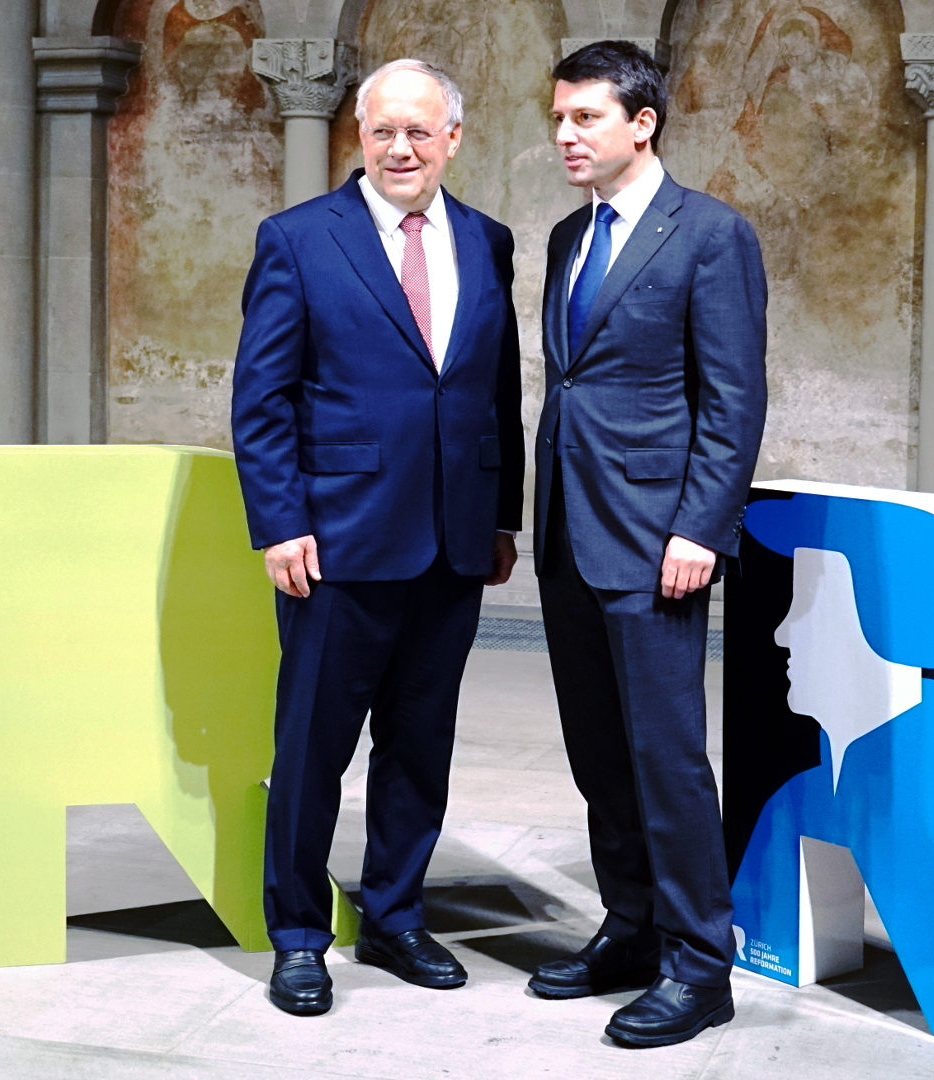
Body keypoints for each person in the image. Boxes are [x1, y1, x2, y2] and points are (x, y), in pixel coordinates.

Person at [230, 57, 523, 1018]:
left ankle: (396, 915)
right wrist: (280, 522)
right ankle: (300, 936)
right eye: (383, 130)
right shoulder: (298, 240)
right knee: (314, 747)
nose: (401, 148)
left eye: (420, 131)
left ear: (453, 139)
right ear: (360, 134)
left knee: (418, 745)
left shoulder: (488, 241)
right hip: (337, 542)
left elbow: (498, 393)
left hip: (451, 541)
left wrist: (502, 515)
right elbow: (262, 398)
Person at [530, 40, 767, 1048]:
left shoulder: (711, 235)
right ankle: (629, 929)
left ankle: (699, 966)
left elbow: (734, 397)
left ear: (643, 122)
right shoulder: (563, 239)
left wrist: (698, 528)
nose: (565, 136)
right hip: (568, 533)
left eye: (585, 117)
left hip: (657, 540)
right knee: (599, 754)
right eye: (559, 118)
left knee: (666, 759)